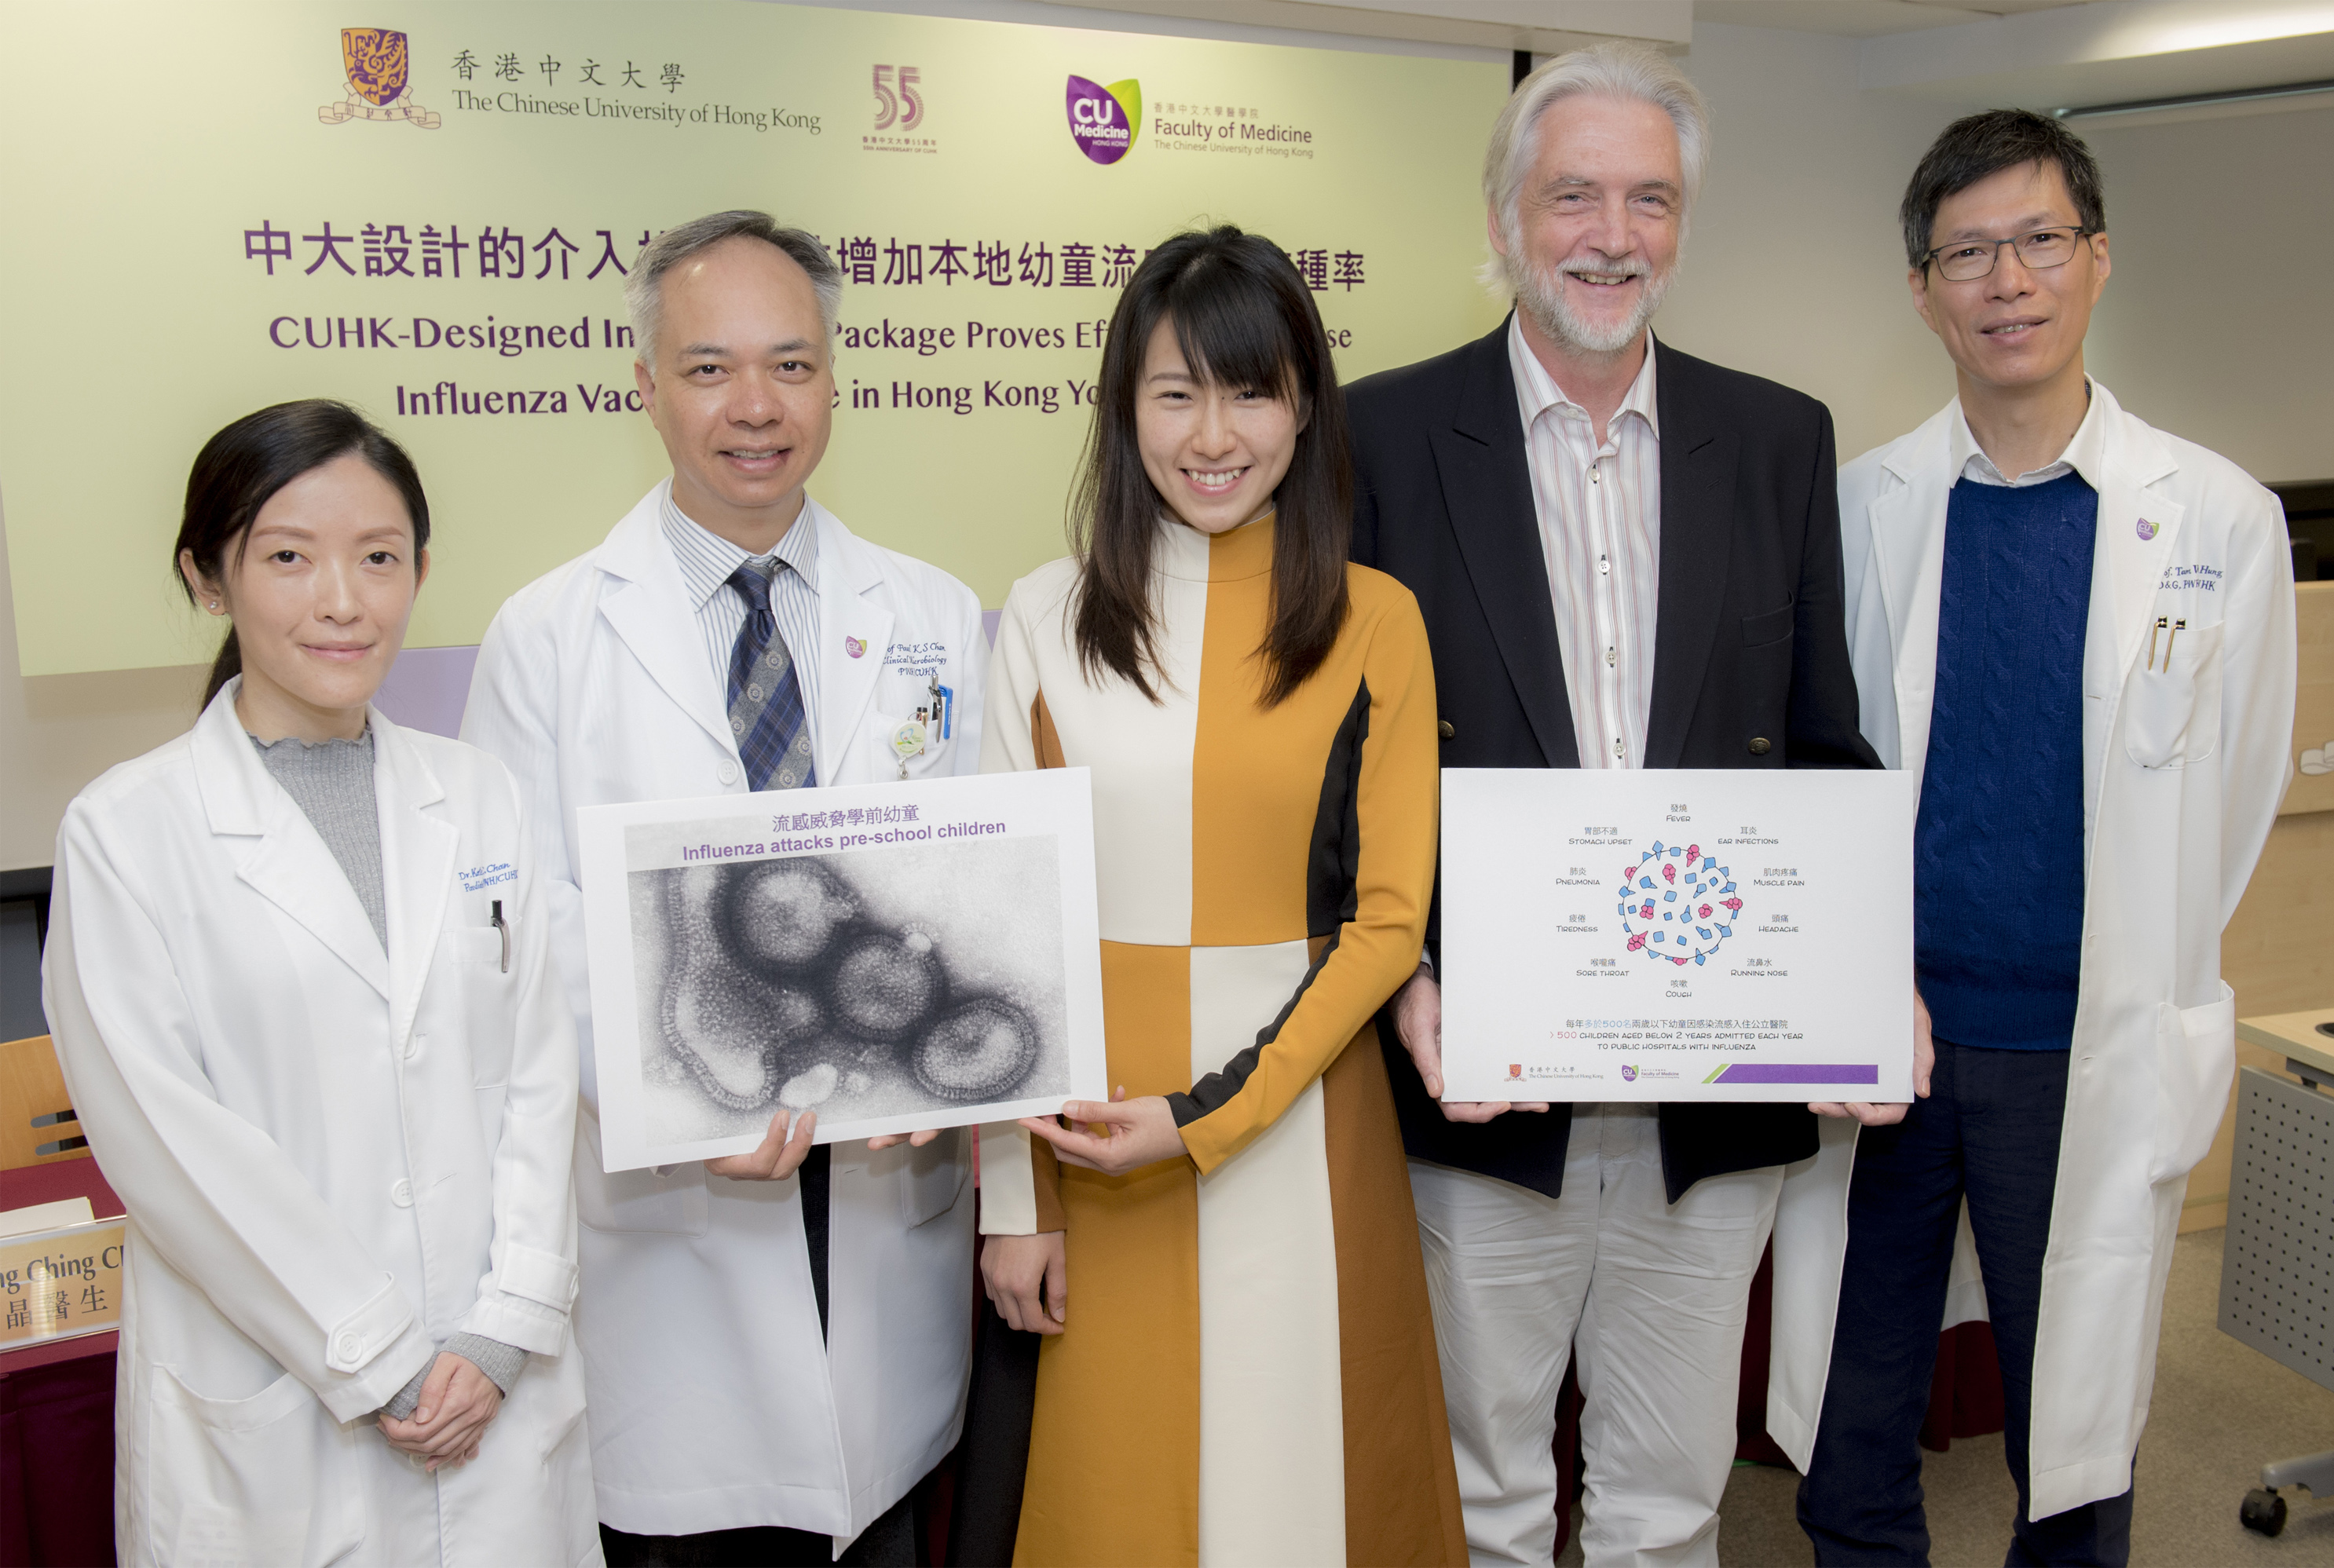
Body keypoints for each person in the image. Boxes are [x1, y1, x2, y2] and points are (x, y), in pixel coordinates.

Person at [1344, 44, 1891, 1568]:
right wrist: (1414, 986)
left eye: (1650, 198)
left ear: (1684, 225)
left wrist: (1858, 976)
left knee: (1671, 1499)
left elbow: (1825, 750)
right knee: (1488, 1495)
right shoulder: (1381, 438)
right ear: (1508, 215)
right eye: (1575, 191)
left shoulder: (1779, 439)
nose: (1612, 231)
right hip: (1482, 1082)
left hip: (1711, 1096)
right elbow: (1344, 773)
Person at [1773, 110, 2298, 1566]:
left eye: (2038, 241)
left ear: (2098, 260)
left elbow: (2234, 792)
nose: (2007, 280)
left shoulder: (2220, 517)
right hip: (1890, 1034)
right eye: (1968, 253)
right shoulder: (1865, 505)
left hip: (2083, 1041)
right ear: (1924, 288)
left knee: (2071, 1436)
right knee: (1854, 1410)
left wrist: (2134, 961)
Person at [460, 211, 987, 1564]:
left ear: (834, 377)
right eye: (708, 368)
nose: (755, 408)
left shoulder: (929, 612)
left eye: (791, 365)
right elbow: (528, 924)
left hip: (880, 1170)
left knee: (876, 1514)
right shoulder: (551, 634)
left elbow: (975, 880)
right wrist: (679, 1091)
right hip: (675, 1196)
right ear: (645, 384)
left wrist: (936, 1067)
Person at [972, 225, 1465, 1566]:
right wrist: (1014, 1206)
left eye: (1250, 389)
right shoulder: (1040, 614)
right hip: (1090, 1137)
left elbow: (1387, 923)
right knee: (1117, 1502)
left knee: (1309, 1490)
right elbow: (1001, 937)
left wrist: (1204, 1119)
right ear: (1125, 404)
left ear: (1304, 407)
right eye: (1176, 390)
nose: (1214, 432)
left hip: (1300, 1121)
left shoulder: (1377, 619)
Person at [41, 400, 597, 1566]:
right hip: (279, 1410)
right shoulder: (126, 830)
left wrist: (506, 1326)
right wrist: (380, 1353)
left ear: (420, 571)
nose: (343, 599)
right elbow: (170, 1140)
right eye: (288, 557)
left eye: (379, 558)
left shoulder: (478, 793)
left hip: (496, 1381)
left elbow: (539, 1075)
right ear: (207, 576)